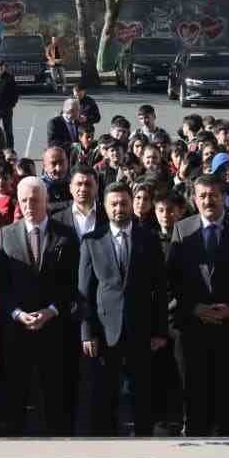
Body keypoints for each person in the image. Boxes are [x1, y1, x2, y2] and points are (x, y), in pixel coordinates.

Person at [168, 174, 229, 436]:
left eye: (213, 195)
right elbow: (172, 279)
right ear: (195, 200)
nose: (208, 201)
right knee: (196, 394)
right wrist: (194, 308)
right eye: (203, 196)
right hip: (194, 326)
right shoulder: (182, 229)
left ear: (223, 197)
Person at [78, 182, 169, 436]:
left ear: (132, 205)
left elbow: (160, 289)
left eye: (124, 203)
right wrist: (87, 332)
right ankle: (106, 444)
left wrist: (160, 331)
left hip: (141, 329)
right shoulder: (91, 241)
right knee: (105, 393)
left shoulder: (149, 239)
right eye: (114, 204)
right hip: (105, 330)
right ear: (105, 207)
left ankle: (143, 440)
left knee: (142, 392)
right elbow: (84, 291)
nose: (119, 208)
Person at [0, 177, 79, 435]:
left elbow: (72, 283)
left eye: (35, 200)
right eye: (24, 201)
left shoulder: (65, 235)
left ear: (46, 200)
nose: (29, 206)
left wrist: (51, 311)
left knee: (55, 399)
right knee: (16, 397)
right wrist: (18, 314)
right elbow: (1, 285)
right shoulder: (6, 235)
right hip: (17, 332)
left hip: (54, 330)